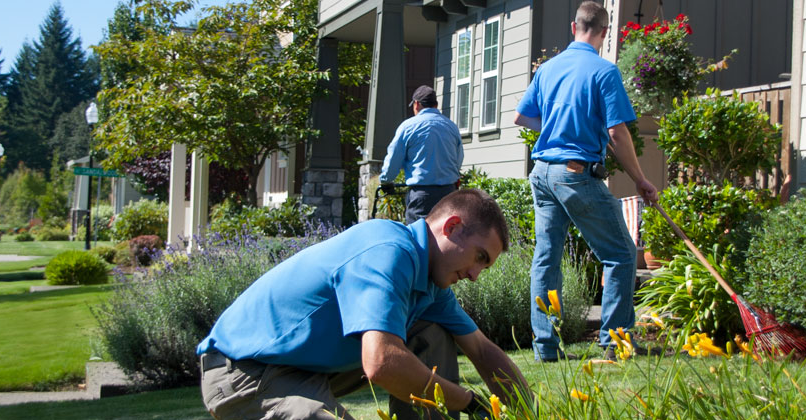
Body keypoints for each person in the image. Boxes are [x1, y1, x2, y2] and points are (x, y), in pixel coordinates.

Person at [197, 189, 530, 420]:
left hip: (304, 368)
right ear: (452, 227)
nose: (474, 275)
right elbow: (381, 362)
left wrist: (528, 411)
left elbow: (483, 351)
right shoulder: (388, 250)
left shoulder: (430, 283)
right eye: (479, 257)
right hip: (245, 373)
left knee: (433, 329)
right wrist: (470, 403)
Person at [513, 1, 659, 362]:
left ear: (573, 27)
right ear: (605, 33)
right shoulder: (603, 72)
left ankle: (545, 347)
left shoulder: (547, 69)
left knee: (546, 259)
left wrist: (557, 130)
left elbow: (521, 117)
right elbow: (617, 132)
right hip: (575, 174)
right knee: (622, 254)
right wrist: (641, 179)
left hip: (543, 171)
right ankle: (615, 342)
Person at [380, 85, 464, 224]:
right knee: (446, 236)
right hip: (449, 193)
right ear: (436, 105)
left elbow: (393, 159)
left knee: (419, 237)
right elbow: (458, 158)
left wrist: (386, 180)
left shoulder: (408, 127)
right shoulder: (451, 126)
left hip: (422, 195)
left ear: (417, 104)